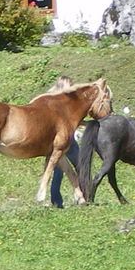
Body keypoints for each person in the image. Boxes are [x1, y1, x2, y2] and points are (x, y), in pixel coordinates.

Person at [46, 76, 80, 208]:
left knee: (80, 166)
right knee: (59, 172)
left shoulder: (68, 101)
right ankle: (57, 201)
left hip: (69, 139)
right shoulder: (53, 100)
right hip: (59, 141)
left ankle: (82, 195)